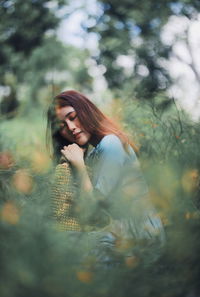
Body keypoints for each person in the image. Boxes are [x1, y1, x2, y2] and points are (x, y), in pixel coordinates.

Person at [47, 90, 165, 267]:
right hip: (117, 233)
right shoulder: (93, 152)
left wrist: (79, 166)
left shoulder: (110, 143)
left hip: (139, 234)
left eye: (73, 117)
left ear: (86, 111)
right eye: (62, 126)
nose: (70, 127)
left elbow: (94, 211)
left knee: (66, 256)